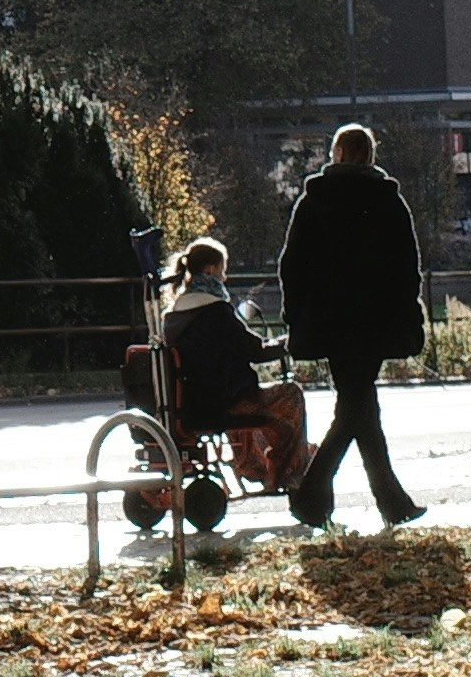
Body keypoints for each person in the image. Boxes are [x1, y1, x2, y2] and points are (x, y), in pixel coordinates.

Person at [278, 123, 426, 524]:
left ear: (336, 153)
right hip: (376, 321)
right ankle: (371, 501)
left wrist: (297, 314)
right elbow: (407, 268)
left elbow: (292, 266)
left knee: (356, 406)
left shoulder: (315, 201)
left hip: (329, 322)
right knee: (358, 407)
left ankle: (321, 499)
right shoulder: (387, 200)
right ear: (370, 155)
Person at [153, 236, 281, 448]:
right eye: (223, 270)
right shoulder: (216, 311)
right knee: (290, 396)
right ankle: (290, 468)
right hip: (220, 404)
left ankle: (252, 463)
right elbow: (255, 351)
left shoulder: (174, 315)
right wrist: (288, 344)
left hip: (190, 404)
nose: (224, 278)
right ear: (211, 270)